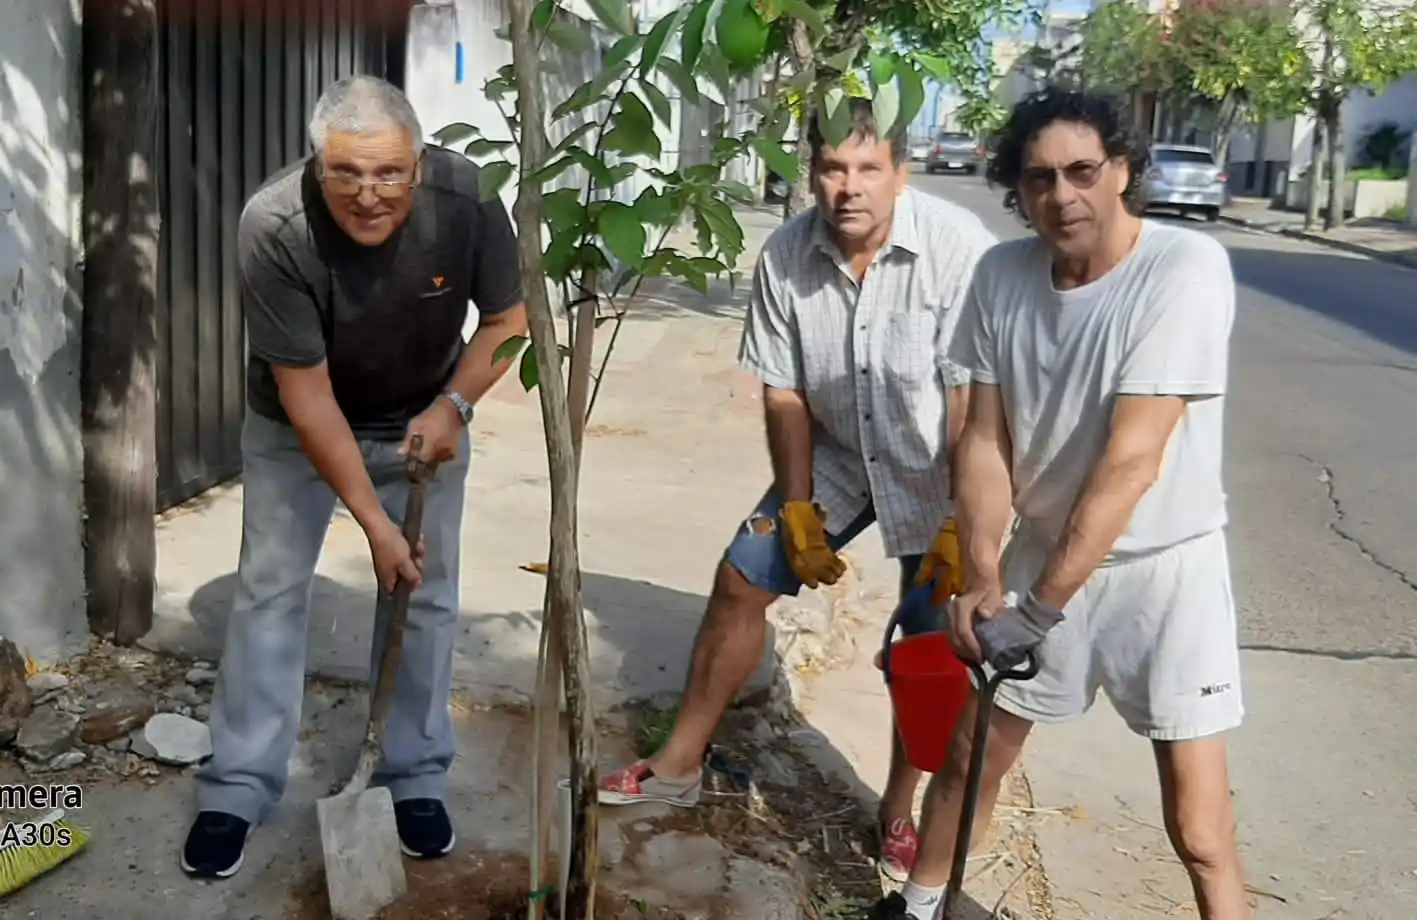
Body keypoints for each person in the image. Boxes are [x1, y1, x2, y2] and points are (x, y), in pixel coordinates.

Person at [596, 97, 999, 884]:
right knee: (739, 576)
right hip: (841, 449)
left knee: (925, 640)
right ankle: (679, 760)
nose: (849, 186)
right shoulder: (783, 253)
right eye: (832, 168)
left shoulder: (959, 251)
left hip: (941, 459)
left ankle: (897, 808)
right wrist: (797, 505)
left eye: (867, 168)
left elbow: (972, 404)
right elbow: (783, 393)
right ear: (811, 172)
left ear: (900, 174)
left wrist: (963, 523)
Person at [871, 88, 1249, 919]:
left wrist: (1037, 610)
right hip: (1042, 551)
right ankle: (921, 907)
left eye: (1082, 171)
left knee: (1197, 826)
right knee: (968, 761)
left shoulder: (1181, 270)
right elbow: (982, 441)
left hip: (1161, 570)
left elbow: (1130, 462)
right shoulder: (1001, 275)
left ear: (1122, 171)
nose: (1061, 195)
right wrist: (979, 576)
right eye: (1039, 178)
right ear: (1017, 187)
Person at [180, 75, 528, 879]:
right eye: (347, 173)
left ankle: (413, 774)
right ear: (317, 163)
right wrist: (373, 522)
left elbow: (508, 321)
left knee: (425, 597)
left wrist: (454, 407)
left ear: (418, 161)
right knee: (269, 592)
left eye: (389, 173)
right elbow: (307, 399)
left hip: (425, 421)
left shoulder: (466, 197)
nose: (369, 195)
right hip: (298, 428)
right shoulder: (274, 225)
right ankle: (237, 784)